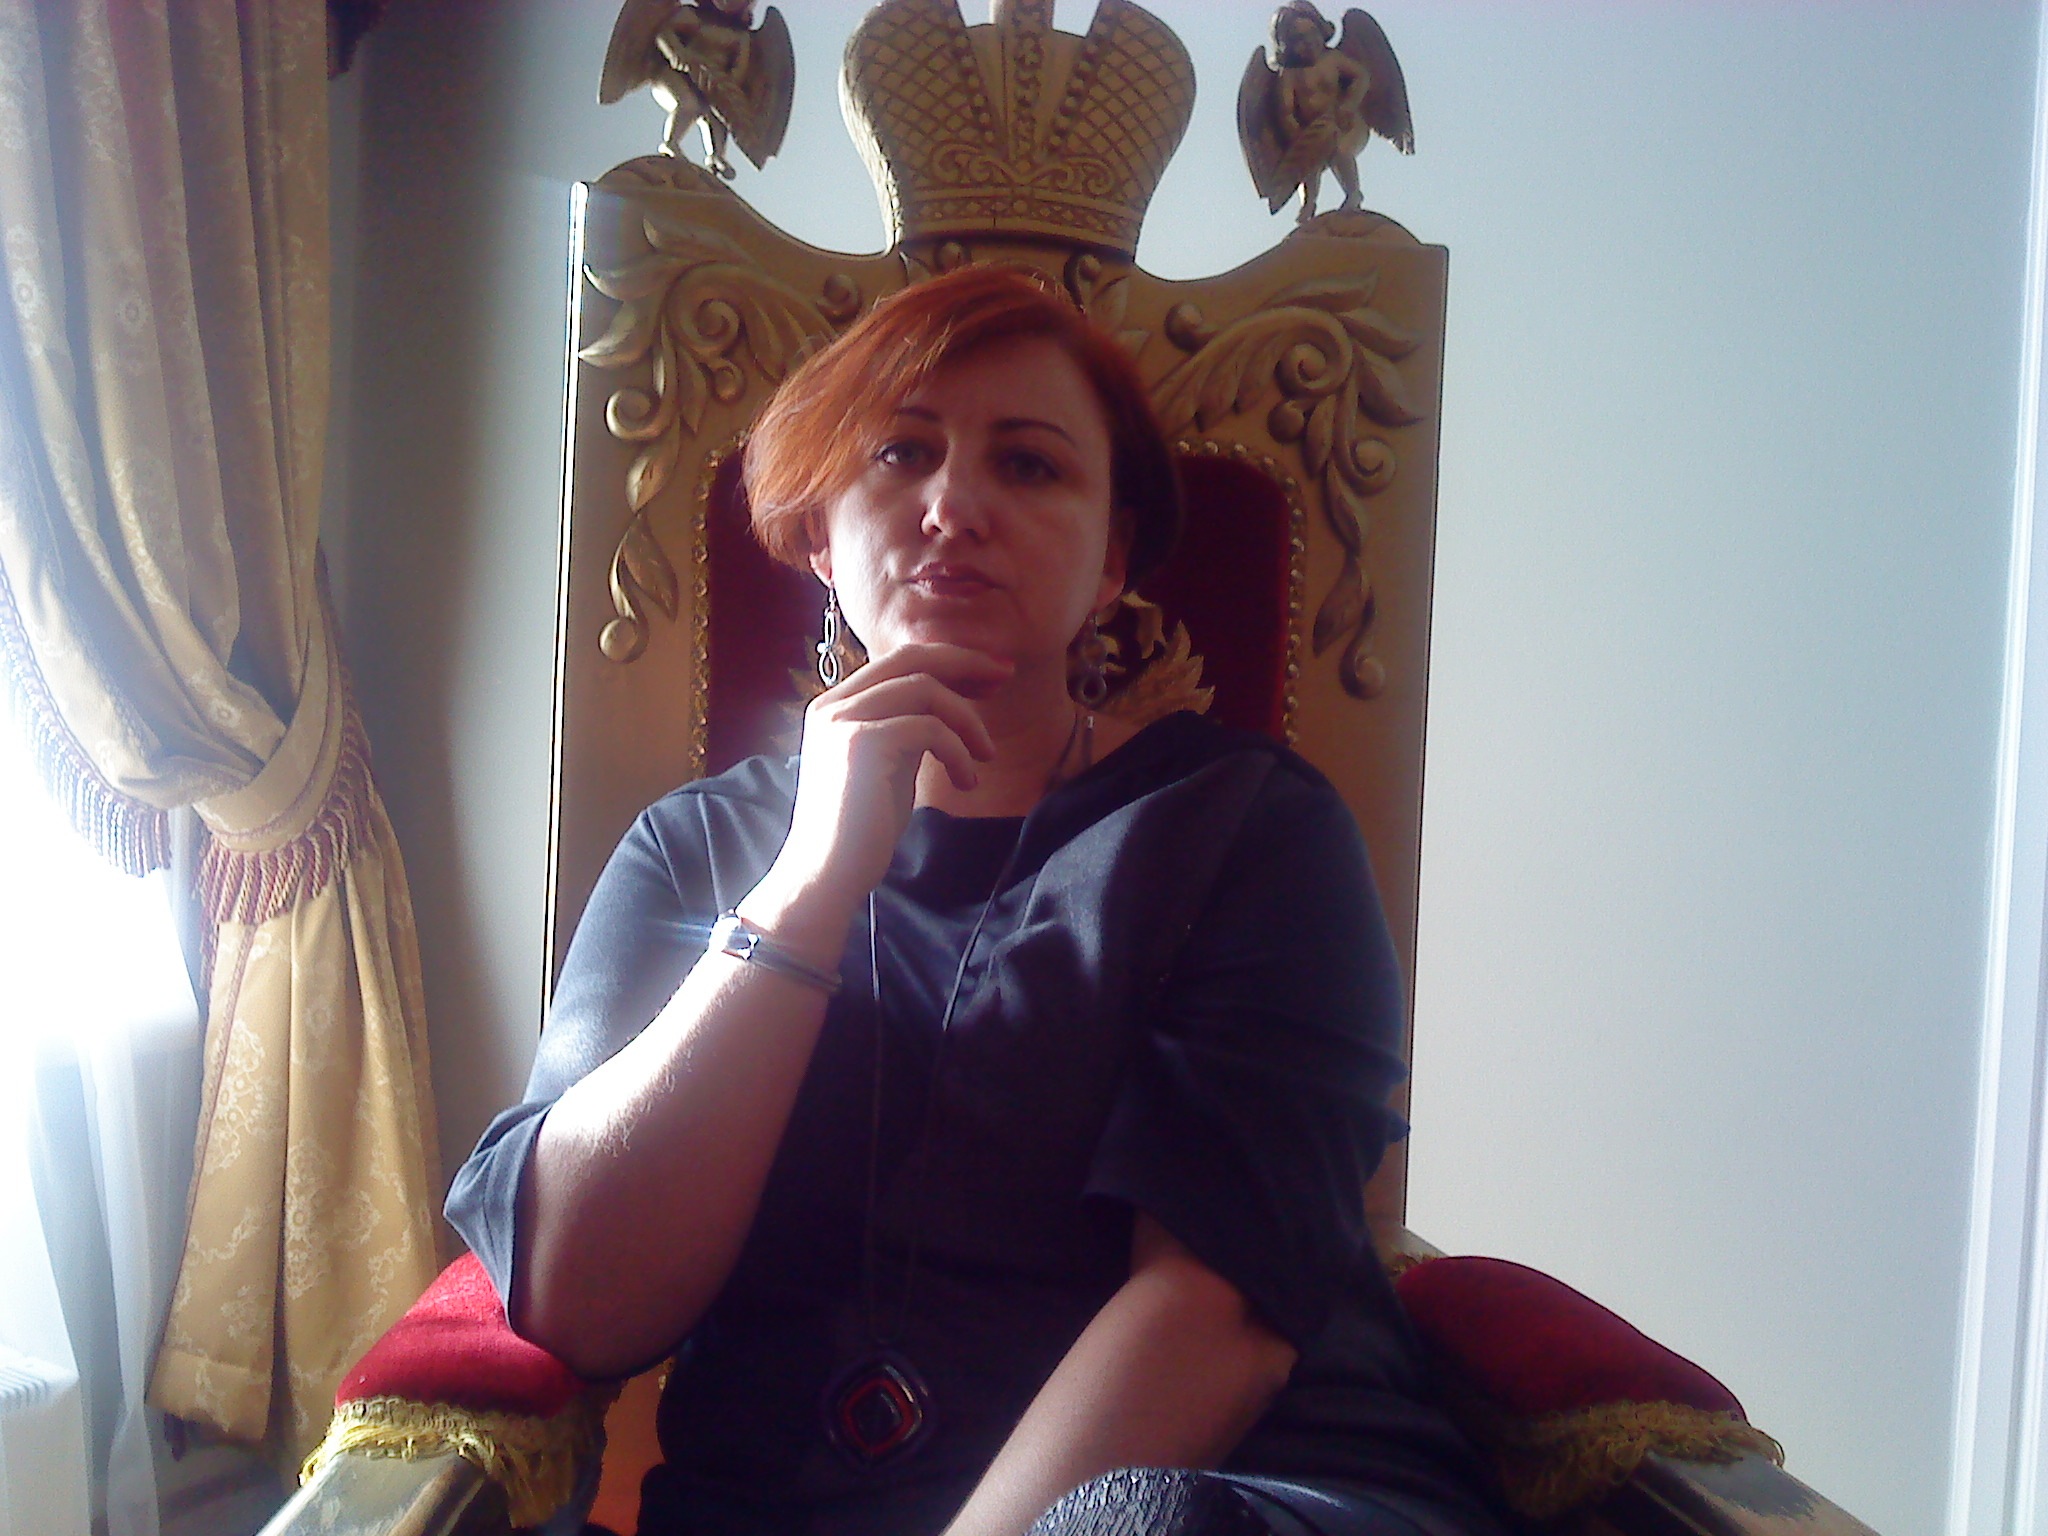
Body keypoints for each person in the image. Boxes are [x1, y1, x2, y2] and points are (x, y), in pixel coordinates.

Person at [446, 267, 1512, 1536]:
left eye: (1028, 465)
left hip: (1223, 1488)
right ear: (821, 537)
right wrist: (806, 890)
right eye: (900, 453)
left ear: (1110, 561)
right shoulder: (694, 851)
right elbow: (582, 1300)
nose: (953, 506)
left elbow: (1213, 1317)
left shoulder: (1253, 828)